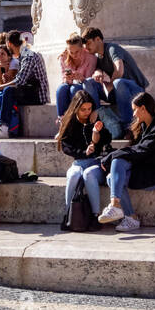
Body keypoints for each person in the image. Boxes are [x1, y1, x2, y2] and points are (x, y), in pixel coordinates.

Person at [97, 93, 155, 231]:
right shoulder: (144, 126)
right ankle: (128, 216)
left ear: (143, 108)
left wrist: (112, 156)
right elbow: (135, 151)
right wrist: (113, 156)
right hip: (144, 168)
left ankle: (117, 207)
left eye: (135, 109)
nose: (133, 114)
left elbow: (141, 151)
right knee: (112, 175)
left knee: (117, 163)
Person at [55, 91, 113, 224]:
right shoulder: (70, 122)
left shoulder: (94, 119)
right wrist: (83, 152)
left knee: (88, 174)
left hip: (96, 162)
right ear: (76, 108)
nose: (87, 112)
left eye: (89, 108)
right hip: (78, 162)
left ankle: (95, 215)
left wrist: (95, 128)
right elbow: (66, 147)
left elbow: (107, 138)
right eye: (83, 109)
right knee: (74, 174)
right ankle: (68, 213)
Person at [0, 31, 49, 138]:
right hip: (28, 90)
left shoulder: (28, 56)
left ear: (9, 44)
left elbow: (19, 81)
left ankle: (3, 127)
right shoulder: (21, 56)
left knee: (8, 90)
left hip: (37, 96)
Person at [81, 28, 148, 132]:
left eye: (89, 43)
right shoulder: (98, 56)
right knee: (89, 82)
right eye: (85, 44)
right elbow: (98, 68)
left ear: (98, 39)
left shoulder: (112, 48)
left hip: (135, 91)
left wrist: (110, 85)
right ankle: (97, 120)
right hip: (118, 92)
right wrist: (98, 71)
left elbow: (119, 70)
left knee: (118, 82)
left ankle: (128, 128)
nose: (86, 47)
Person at [56, 34, 97, 118]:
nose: (74, 55)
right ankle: (62, 120)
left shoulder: (91, 58)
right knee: (61, 89)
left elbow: (88, 81)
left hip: (84, 85)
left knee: (75, 89)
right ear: (67, 50)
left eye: (77, 52)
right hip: (70, 83)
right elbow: (63, 78)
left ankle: (76, 119)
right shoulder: (63, 58)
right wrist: (67, 79)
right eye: (71, 52)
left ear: (82, 48)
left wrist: (81, 78)